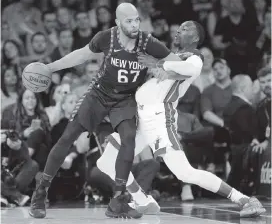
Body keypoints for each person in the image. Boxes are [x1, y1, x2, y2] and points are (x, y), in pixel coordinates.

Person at [29, 3, 187, 219]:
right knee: (68, 137)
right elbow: (80, 55)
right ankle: (40, 191)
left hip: (126, 98)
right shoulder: (106, 37)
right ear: (118, 22)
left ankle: (118, 200)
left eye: (136, 20)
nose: (134, 24)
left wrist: (159, 65)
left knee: (129, 137)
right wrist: (51, 67)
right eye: (128, 20)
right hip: (99, 94)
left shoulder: (148, 42)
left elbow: (180, 66)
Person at [96, 21, 266, 218]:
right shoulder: (168, 57)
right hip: (139, 119)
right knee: (106, 162)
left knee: (184, 173)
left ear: (195, 38)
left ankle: (244, 199)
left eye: (185, 28)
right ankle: (143, 200)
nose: (179, 30)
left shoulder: (194, 56)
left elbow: (190, 70)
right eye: (178, 28)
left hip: (159, 119)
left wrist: (159, 65)